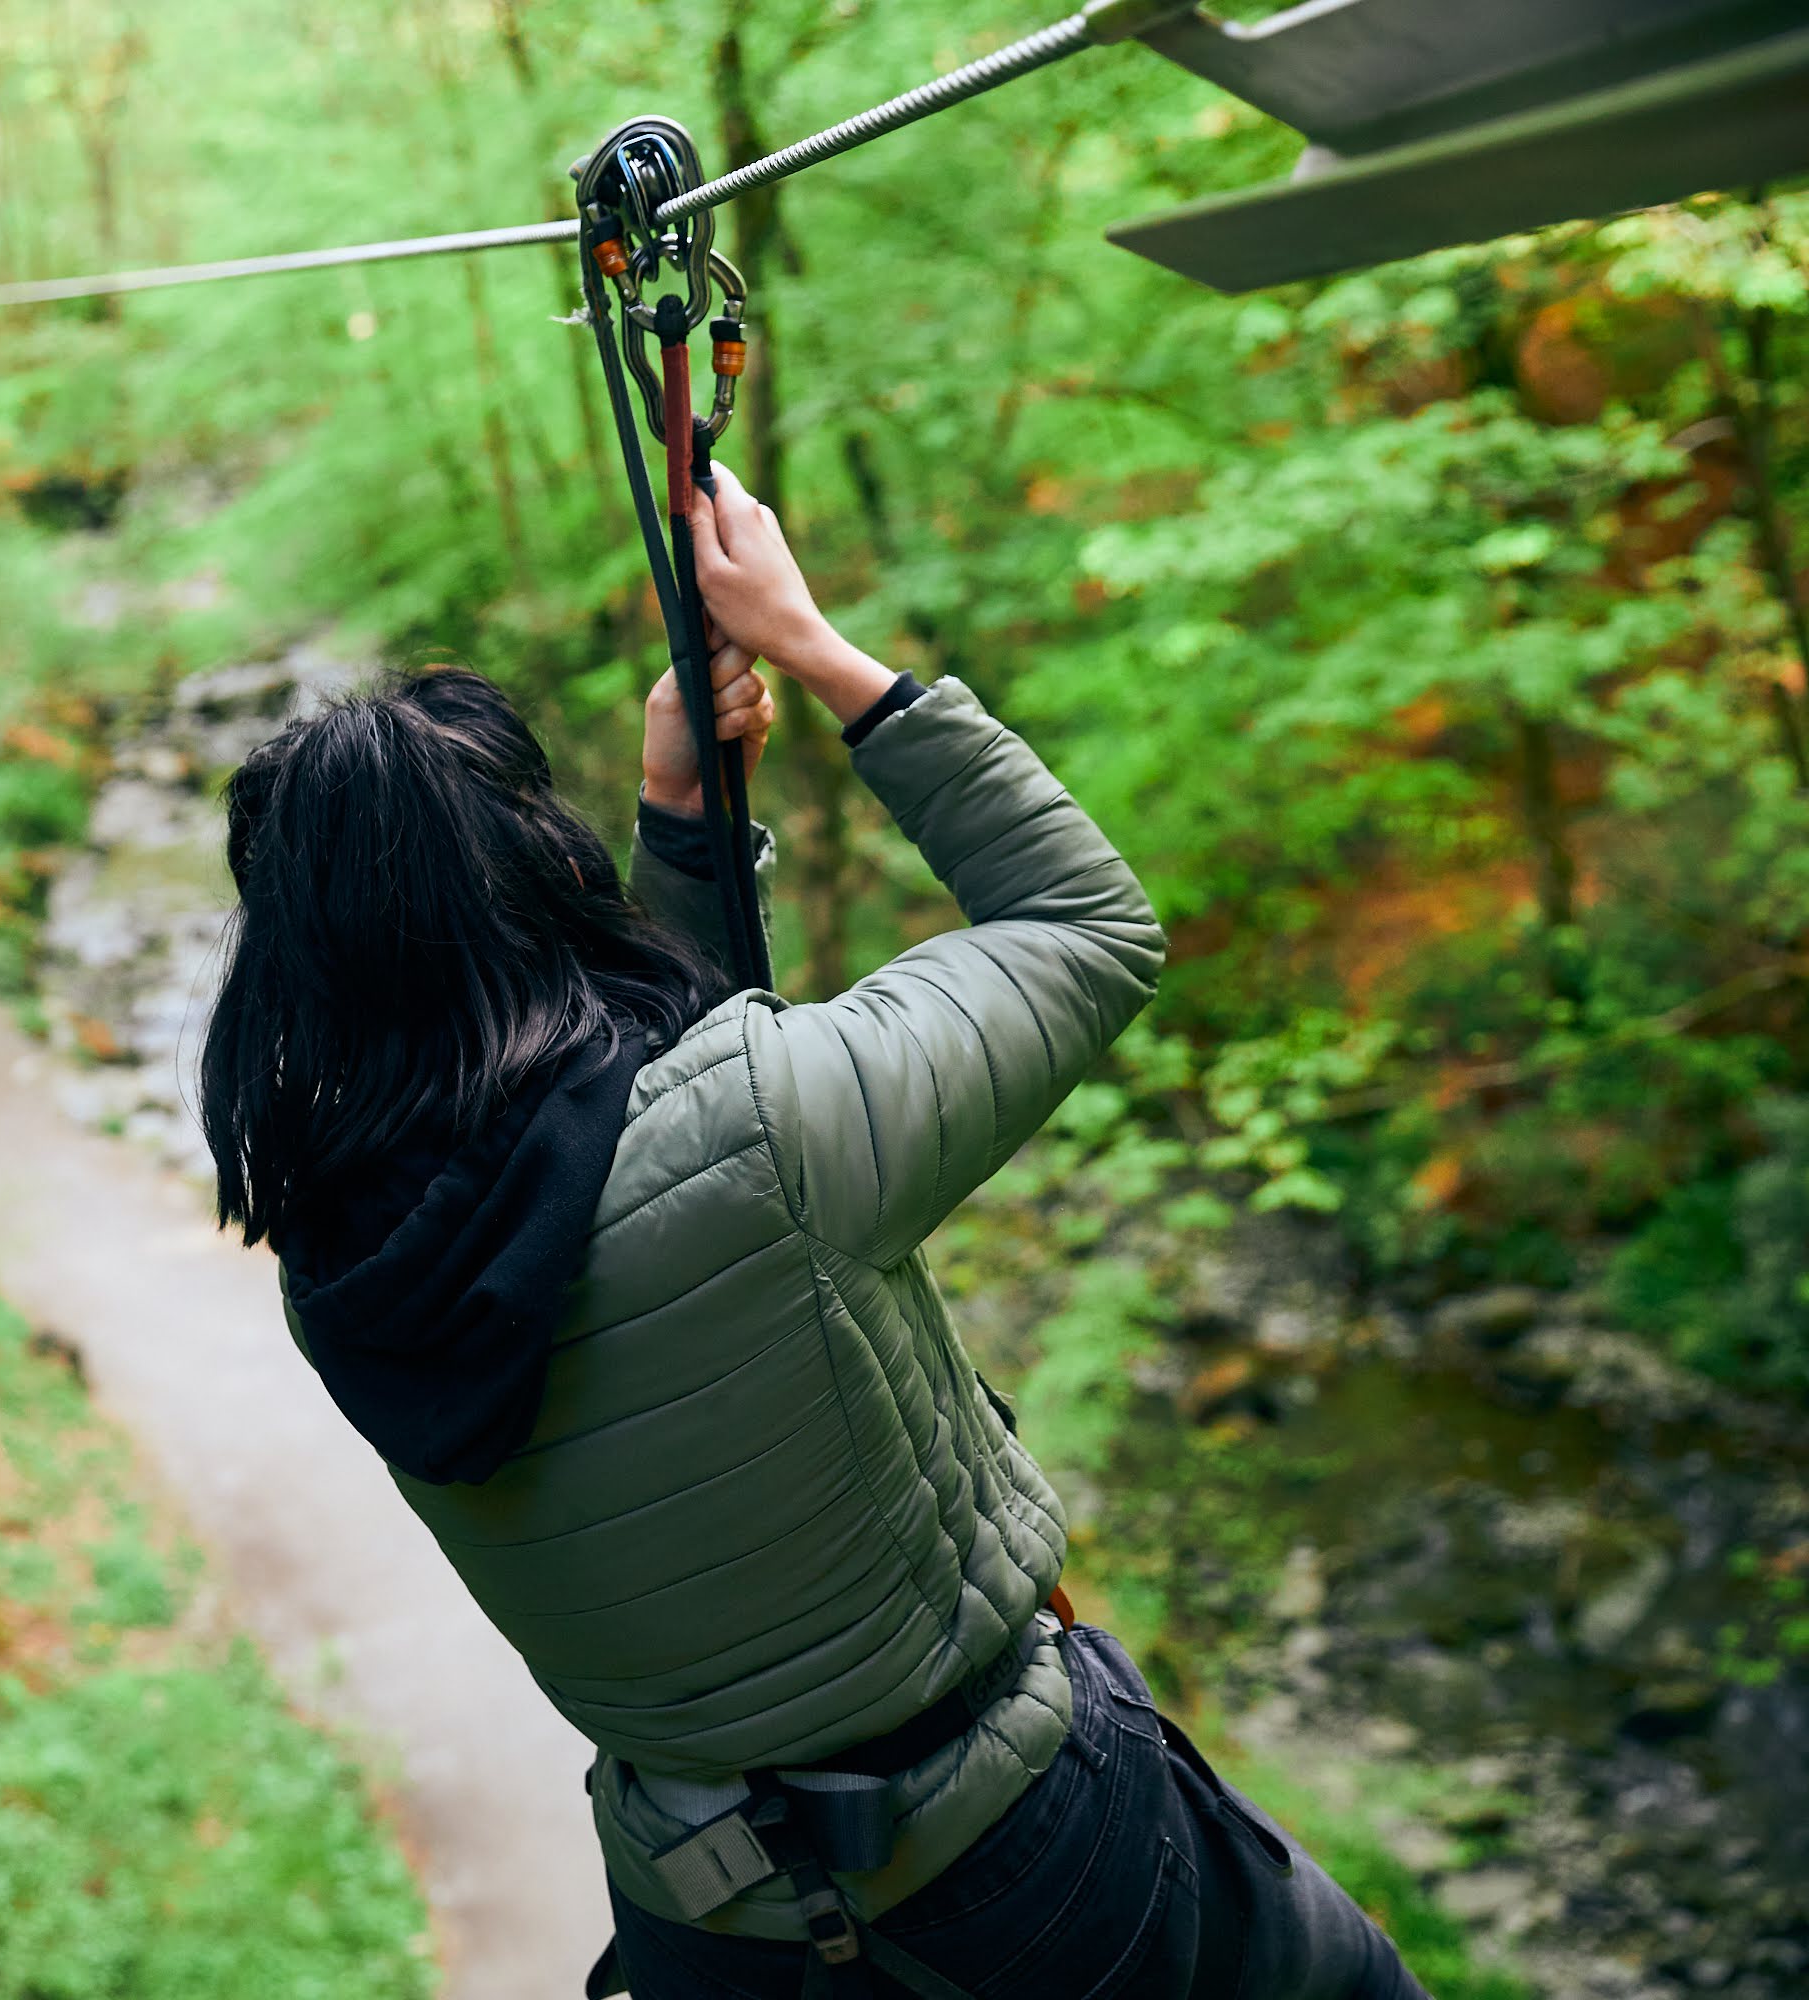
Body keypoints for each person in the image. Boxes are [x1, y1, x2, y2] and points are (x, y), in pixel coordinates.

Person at [198, 465, 1425, 2000]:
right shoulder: (770, 1132)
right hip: (1021, 1866)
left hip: (711, 1925)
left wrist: (685, 822)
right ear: (530, 871)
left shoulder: (346, 1265)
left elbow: (615, 1156)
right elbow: (1086, 928)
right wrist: (833, 658)